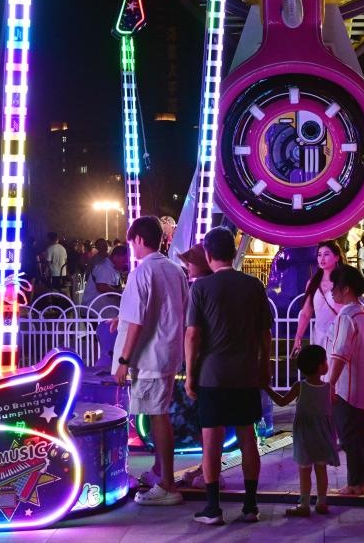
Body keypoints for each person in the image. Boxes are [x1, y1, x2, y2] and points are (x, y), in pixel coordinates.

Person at [185, 227, 272, 525]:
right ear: (233, 253)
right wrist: (264, 368)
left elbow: (193, 335)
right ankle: (250, 506)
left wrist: (189, 373)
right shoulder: (253, 286)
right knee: (249, 438)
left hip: (212, 375)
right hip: (246, 374)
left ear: (208, 255)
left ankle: (213, 508)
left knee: (212, 441)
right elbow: (264, 334)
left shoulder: (200, 288)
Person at [113, 217, 189, 506]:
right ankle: (160, 471)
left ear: (140, 240)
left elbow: (136, 321)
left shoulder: (141, 273)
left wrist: (123, 360)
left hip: (149, 357)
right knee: (159, 413)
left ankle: (168, 484)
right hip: (168, 352)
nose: (131, 247)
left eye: (132, 242)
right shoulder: (175, 270)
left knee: (158, 417)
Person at [265, 344, 339, 517]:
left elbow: (282, 402)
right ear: (321, 367)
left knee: (304, 471)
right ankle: (322, 502)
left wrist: (266, 388)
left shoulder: (300, 386)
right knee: (321, 470)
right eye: (325, 361)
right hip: (323, 435)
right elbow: (332, 407)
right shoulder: (329, 388)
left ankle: (304, 504)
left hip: (305, 435)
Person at [326, 265, 364, 496]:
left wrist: (330, 384)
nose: (331, 292)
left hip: (346, 387)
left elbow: (340, 354)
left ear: (345, 289)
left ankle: (356, 483)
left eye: (333, 287)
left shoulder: (346, 316)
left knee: (349, 436)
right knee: (362, 435)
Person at [292, 241, 345, 357]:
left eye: (326, 254)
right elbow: (306, 313)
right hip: (319, 337)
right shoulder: (312, 283)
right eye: (319, 254)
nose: (322, 258)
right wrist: (298, 338)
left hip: (340, 337)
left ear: (336, 257)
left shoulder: (343, 282)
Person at [82, 238, 121, 304]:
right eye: (101, 245)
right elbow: (101, 286)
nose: (104, 246)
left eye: (104, 244)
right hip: (95, 303)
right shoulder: (95, 261)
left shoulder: (110, 258)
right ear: (97, 247)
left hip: (106, 304)